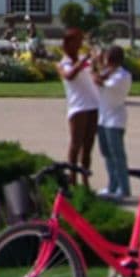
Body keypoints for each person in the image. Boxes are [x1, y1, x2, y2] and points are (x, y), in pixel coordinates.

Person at [57, 28, 100, 187]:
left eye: (81, 39)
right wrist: (84, 61)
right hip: (78, 107)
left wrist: (95, 63)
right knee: (76, 144)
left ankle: (85, 179)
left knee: (88, 146)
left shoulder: (84, 59)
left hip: (93, 104)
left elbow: (95, 74)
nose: (81, 43)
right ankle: (73, 179)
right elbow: (70, 76)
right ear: (68, 43)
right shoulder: (63, 63)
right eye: (78, 40)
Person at [93, 45, 132, 200]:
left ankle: (124, 188)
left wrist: (95, 64)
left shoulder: (122, 76)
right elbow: (100, 75)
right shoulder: (109, 73)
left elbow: (98, 80)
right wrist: (96, 62)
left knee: (117, 155)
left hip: (115, 120)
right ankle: (112, 186)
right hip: (103, 118)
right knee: (107, 154)